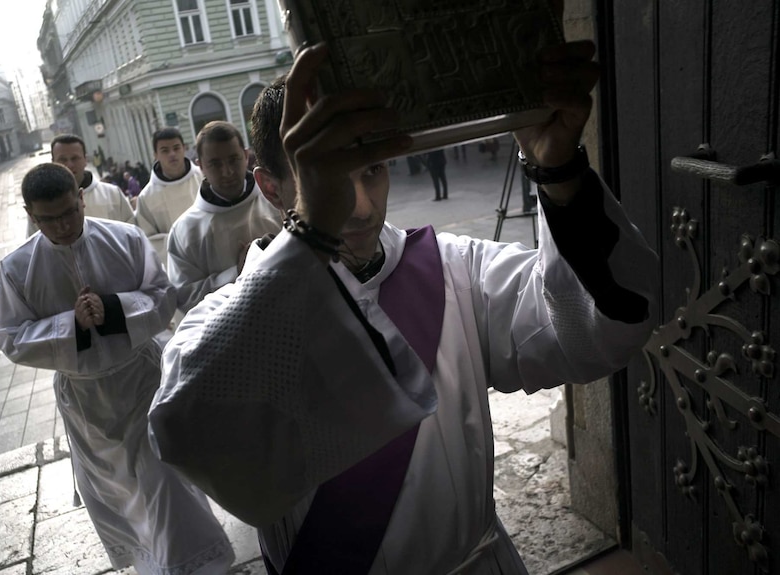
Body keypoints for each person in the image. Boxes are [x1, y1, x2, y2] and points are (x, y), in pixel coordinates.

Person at [149, 36, 659, 575]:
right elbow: (189, 433)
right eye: (328, 183)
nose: (361, 208)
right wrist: (311, 232)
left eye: (372, 170)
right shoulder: (226, 321)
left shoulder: (453, 270)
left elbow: (598, 336)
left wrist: (557, 173)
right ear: (271, 187)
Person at [0, 163, 234, 575]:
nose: (63, 226)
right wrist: (71, 325)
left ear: (81, 198)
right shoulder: (16, 269)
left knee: (166, 484)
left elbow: (162, 297)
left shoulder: (124, 238)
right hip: (86, 401)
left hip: (141, 380)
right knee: (123, 495)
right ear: (32, 215)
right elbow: (11, 337)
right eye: (48, 219)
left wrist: (115, 308)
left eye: (69, 212)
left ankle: (198, 567)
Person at [166, 120, 282, 314]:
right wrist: (236, 272)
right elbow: (185, 298)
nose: (227, 172)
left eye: (233, 159)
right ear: (200, 165)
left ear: (246, 156)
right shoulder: (186, 230)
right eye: (215, 164)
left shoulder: (276, 201)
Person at [135, 127, 202, 265]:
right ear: (155, 154)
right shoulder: (147, 197)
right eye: (165, 150)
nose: (172, 154)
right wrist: (182, 243)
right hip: (178, 266)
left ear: (184, 148)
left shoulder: (203, 177)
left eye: (176, 148)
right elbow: (148, 239)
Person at [51, 134, 134, 224]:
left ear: (85, 160)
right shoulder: (43, 203)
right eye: (62, 159)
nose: (70, 164)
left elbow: (132, 232)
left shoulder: (112, 194)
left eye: (75, 158)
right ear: (53, 162)